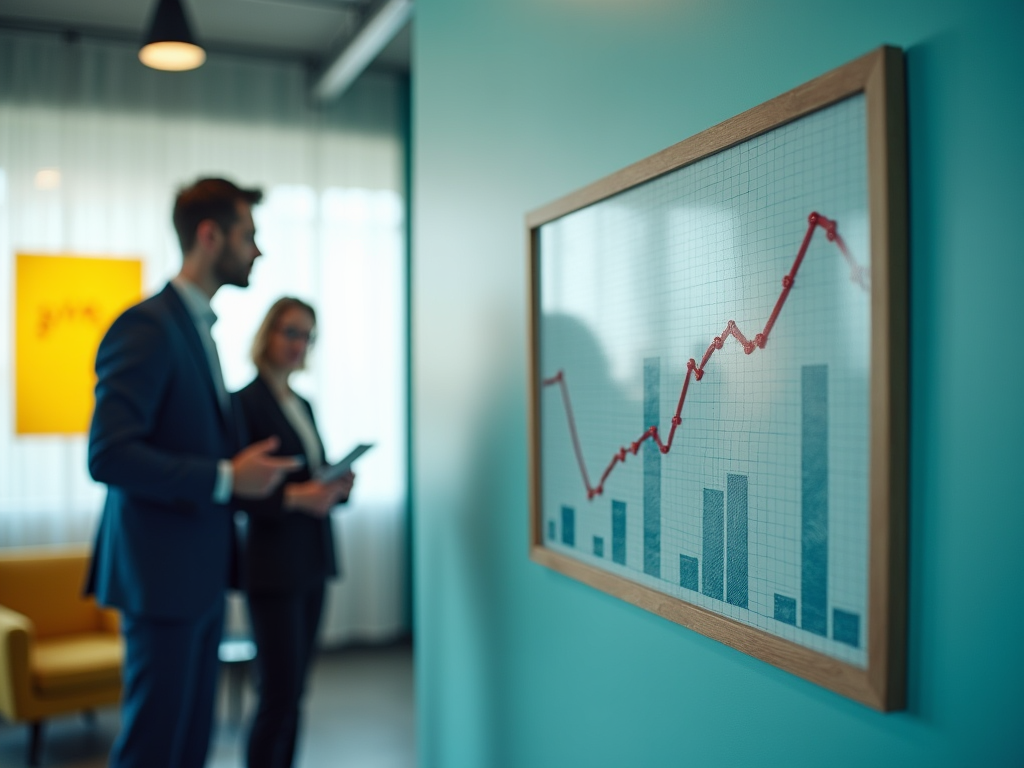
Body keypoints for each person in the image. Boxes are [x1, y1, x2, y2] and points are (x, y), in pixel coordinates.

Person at [86, 178, 300, 768]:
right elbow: (107, 455)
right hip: (162, 580)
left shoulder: (200, 329)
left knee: (189, 748)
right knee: (155, 747)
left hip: (199, 575)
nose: (257, 251)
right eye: (248, 236)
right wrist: (227, 478)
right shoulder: (147, 327)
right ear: (210, 236)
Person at [236, 297, 355, 768]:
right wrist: (297, 498)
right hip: (272, 564)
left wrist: (336, 486)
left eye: (307, 335)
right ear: (268, 334)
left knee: (296, 691)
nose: (298, 344)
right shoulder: (243, 403)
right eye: (290, 332)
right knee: (277, 693)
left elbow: (309, 477)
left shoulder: (302, 402)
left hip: (311, 558)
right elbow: (239, 492)